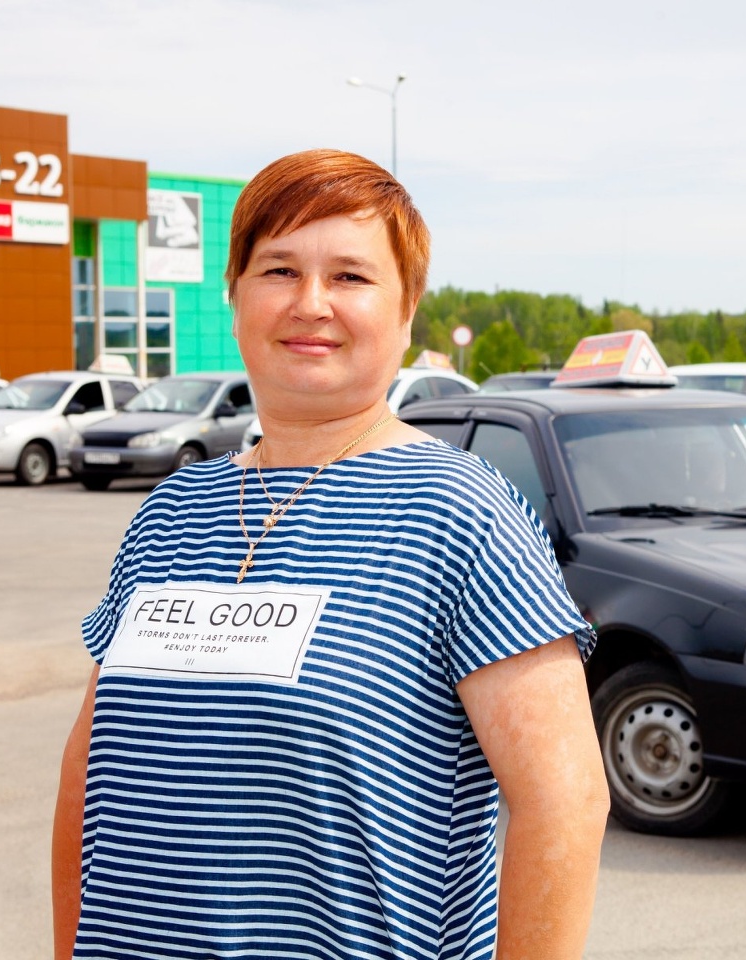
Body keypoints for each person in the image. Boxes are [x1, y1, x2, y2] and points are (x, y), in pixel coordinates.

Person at [52, 149, 608, 960]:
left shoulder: (460, 511)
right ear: (235, 295)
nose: (311, 303)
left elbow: (563, 803)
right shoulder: (171, 513)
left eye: (350, 276)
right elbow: (90, 777)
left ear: (406, 309)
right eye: (279, 268)